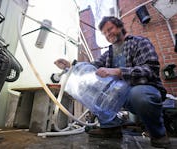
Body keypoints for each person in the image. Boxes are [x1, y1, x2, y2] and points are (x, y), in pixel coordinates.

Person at [54, 16, 170, 148]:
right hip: (120, 94)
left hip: (142, 90)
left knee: (139, 95)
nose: (108, 34)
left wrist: (118, 71)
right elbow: (91, 67)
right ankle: (111, 126)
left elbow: (150, 69)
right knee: (89, 86)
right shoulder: (109, 52)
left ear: (120, 26)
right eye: (105, 33)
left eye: (110, 29)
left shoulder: (139, 42)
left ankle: (158, 134)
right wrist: (71, 66)